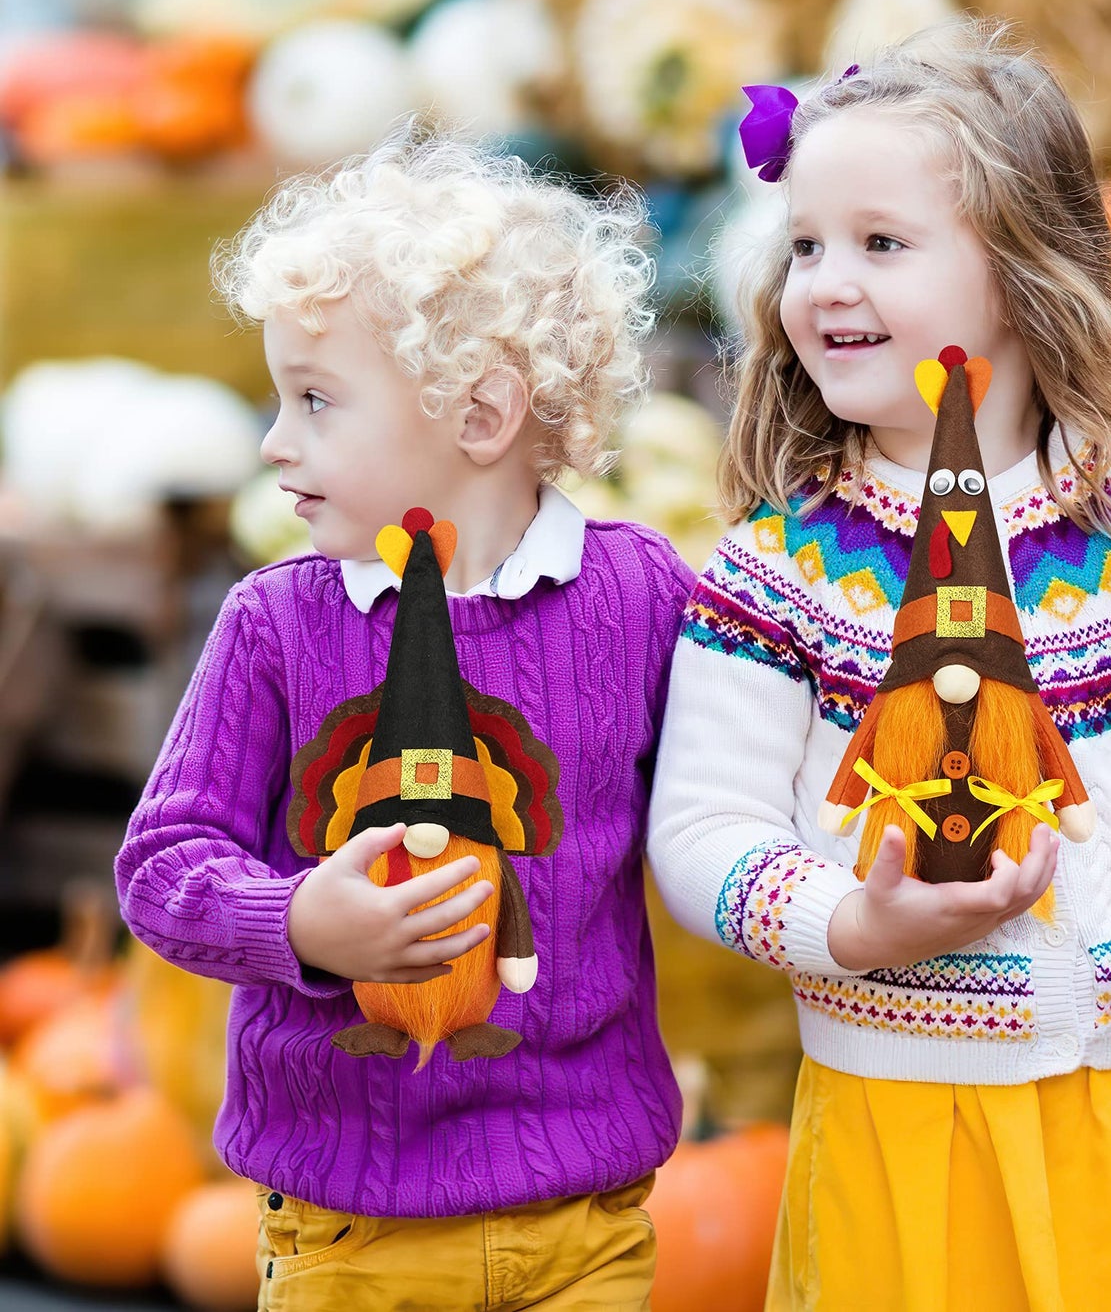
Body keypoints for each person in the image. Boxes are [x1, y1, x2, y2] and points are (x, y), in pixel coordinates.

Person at [647, 18, 1111, 1312]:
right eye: (805, 247)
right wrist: (854, 922)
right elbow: (701, 830)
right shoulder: (780, 574)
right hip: (912, 1127)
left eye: (880, 244)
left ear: (1021, 270)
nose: (826, 281)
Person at [116, 124, 692, 1311]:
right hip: (353, 1232)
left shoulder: (639, 599)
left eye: (316, 400)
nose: (276, 440)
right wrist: (301, 923)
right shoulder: (278, 622)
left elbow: (726, 789)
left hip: (585, 1221)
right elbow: (162, 863)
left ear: (479, 414)